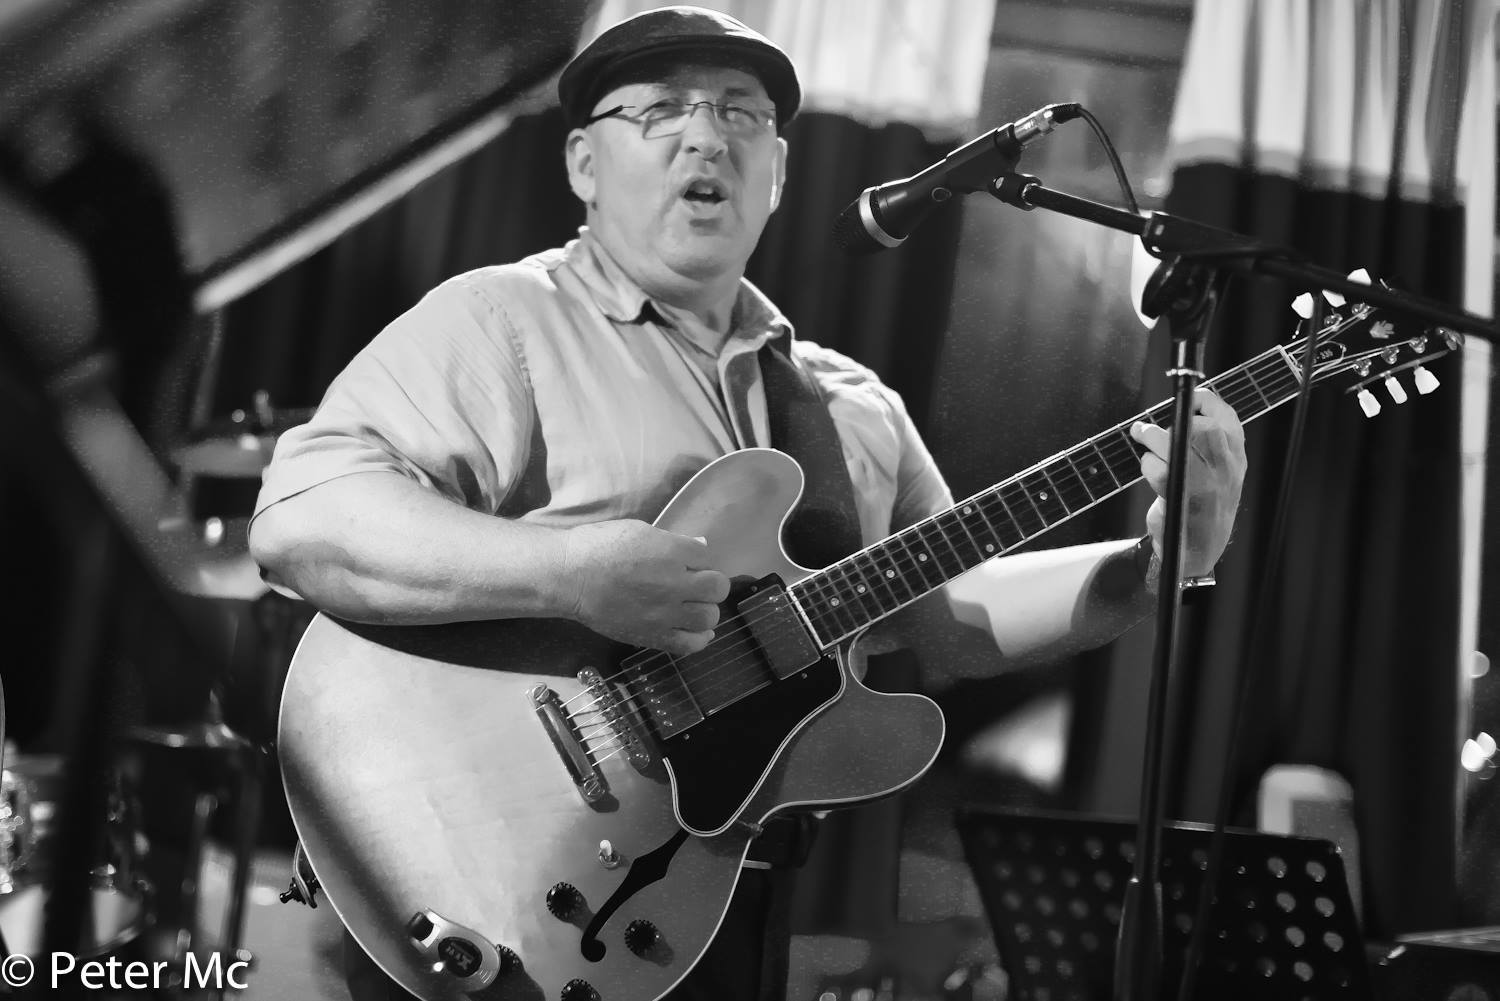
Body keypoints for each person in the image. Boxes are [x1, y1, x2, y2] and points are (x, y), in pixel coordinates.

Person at [247, 6, 1247, 1000]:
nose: (705, 135)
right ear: (584, 164)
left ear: (778, 170)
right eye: (660, 109)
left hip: (704, 897)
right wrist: (567, 571)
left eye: (740, 112)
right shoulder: (504, 319)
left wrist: (1159, 564)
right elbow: (302, 521)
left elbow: (952, 614)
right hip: (492, 865)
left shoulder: (852, 404)